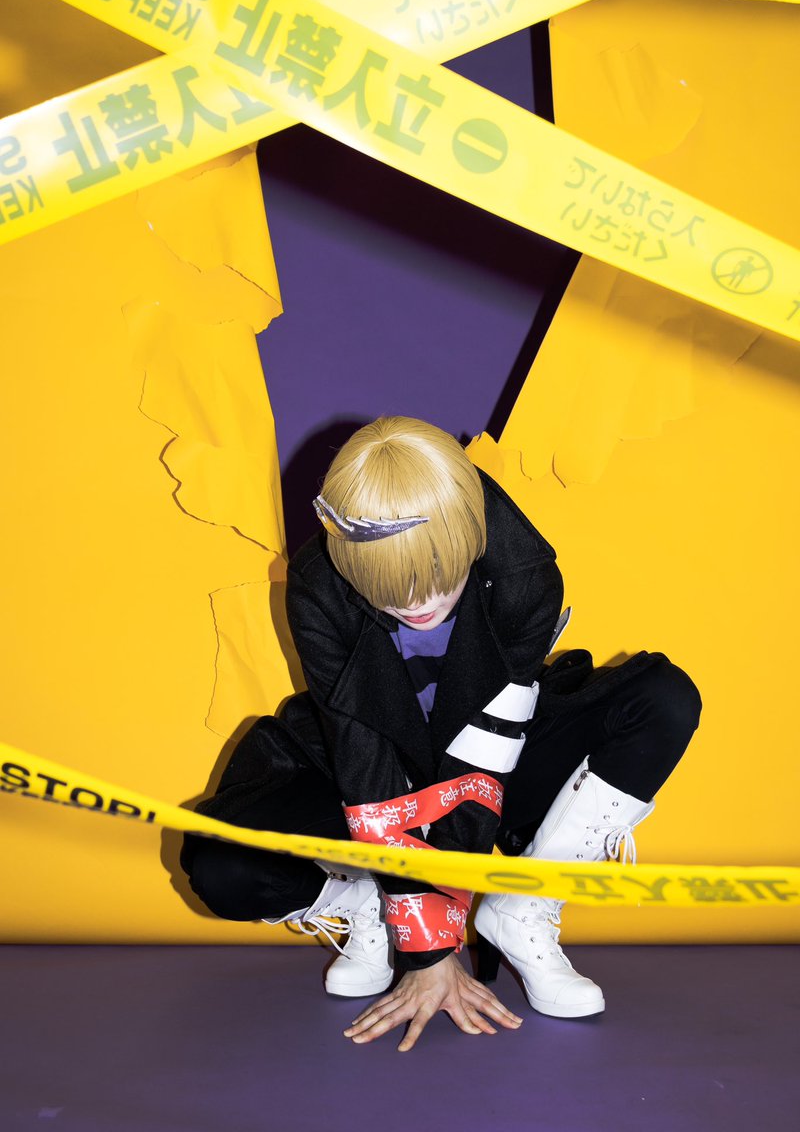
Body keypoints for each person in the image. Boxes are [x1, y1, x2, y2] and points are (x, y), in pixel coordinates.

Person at [181, 416, 701, 1051]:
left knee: (663, 700)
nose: (415, 604)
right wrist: (425, 945)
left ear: (470, 539)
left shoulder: (523, 574)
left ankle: (525, 907)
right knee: (222, 864)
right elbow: (364, 757)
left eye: (437, 580)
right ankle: (370, 906)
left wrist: (440, 934)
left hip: (494, 755)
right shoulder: (318, 586)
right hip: (367, 765)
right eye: (387, 592)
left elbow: (483, 760)